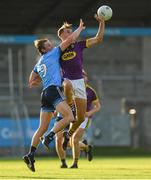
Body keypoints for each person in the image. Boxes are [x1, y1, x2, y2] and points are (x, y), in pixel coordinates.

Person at [23, 19, 85, 172]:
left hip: (45, 94)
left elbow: (31, 81)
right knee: (70, 117)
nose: (53, 45)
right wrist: (80, 28)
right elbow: (70, 39)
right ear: (44, 50)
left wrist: (40, 80)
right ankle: (50, 136)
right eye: (49, 45)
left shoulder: (39, 62)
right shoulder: (54, 53)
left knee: (41, 127)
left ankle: (30, 154)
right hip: (53, 91)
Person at [44, 14, 105, 153]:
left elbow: (99, 38)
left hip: (79, 83)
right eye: (68, 32)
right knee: (67, 85)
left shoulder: (79, 45)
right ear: (62, 36)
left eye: (71, 31)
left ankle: (68, 135)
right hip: (66, 81)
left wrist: (102, 22)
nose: (71, 33)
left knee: (81, 117)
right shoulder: (58, 50)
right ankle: (53, 132)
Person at [55, 70, 101, 168]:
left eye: (84, 76)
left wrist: (89, 113)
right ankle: (86, 147)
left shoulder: (90, 91)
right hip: (74, 118)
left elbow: (98, 106)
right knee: (68, 143)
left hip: (84, 118)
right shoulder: (71, 89)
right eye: (81, 76)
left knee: (74, 139)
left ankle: (75, 163)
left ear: (86, 78)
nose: (83, 78)